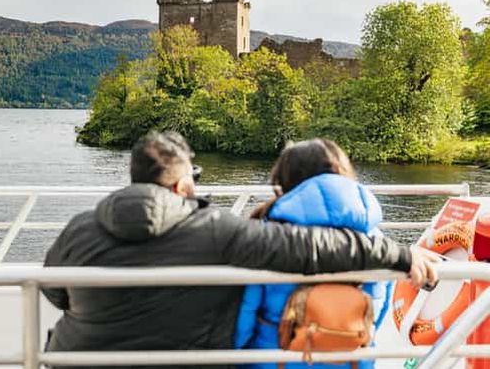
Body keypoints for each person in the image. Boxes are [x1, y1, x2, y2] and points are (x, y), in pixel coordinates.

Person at [42, 131, 438, 369]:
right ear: (182, 187)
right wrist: (400, 255)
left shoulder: (79, 228)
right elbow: (308, 248)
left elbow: (53, 291)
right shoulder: (212, 228)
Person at [234, 139, 387, 369]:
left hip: (277, 363)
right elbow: (378, 311)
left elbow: (243, 317)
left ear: (285, 182)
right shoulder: (378, 241)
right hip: (352, 361)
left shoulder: (267, 235)